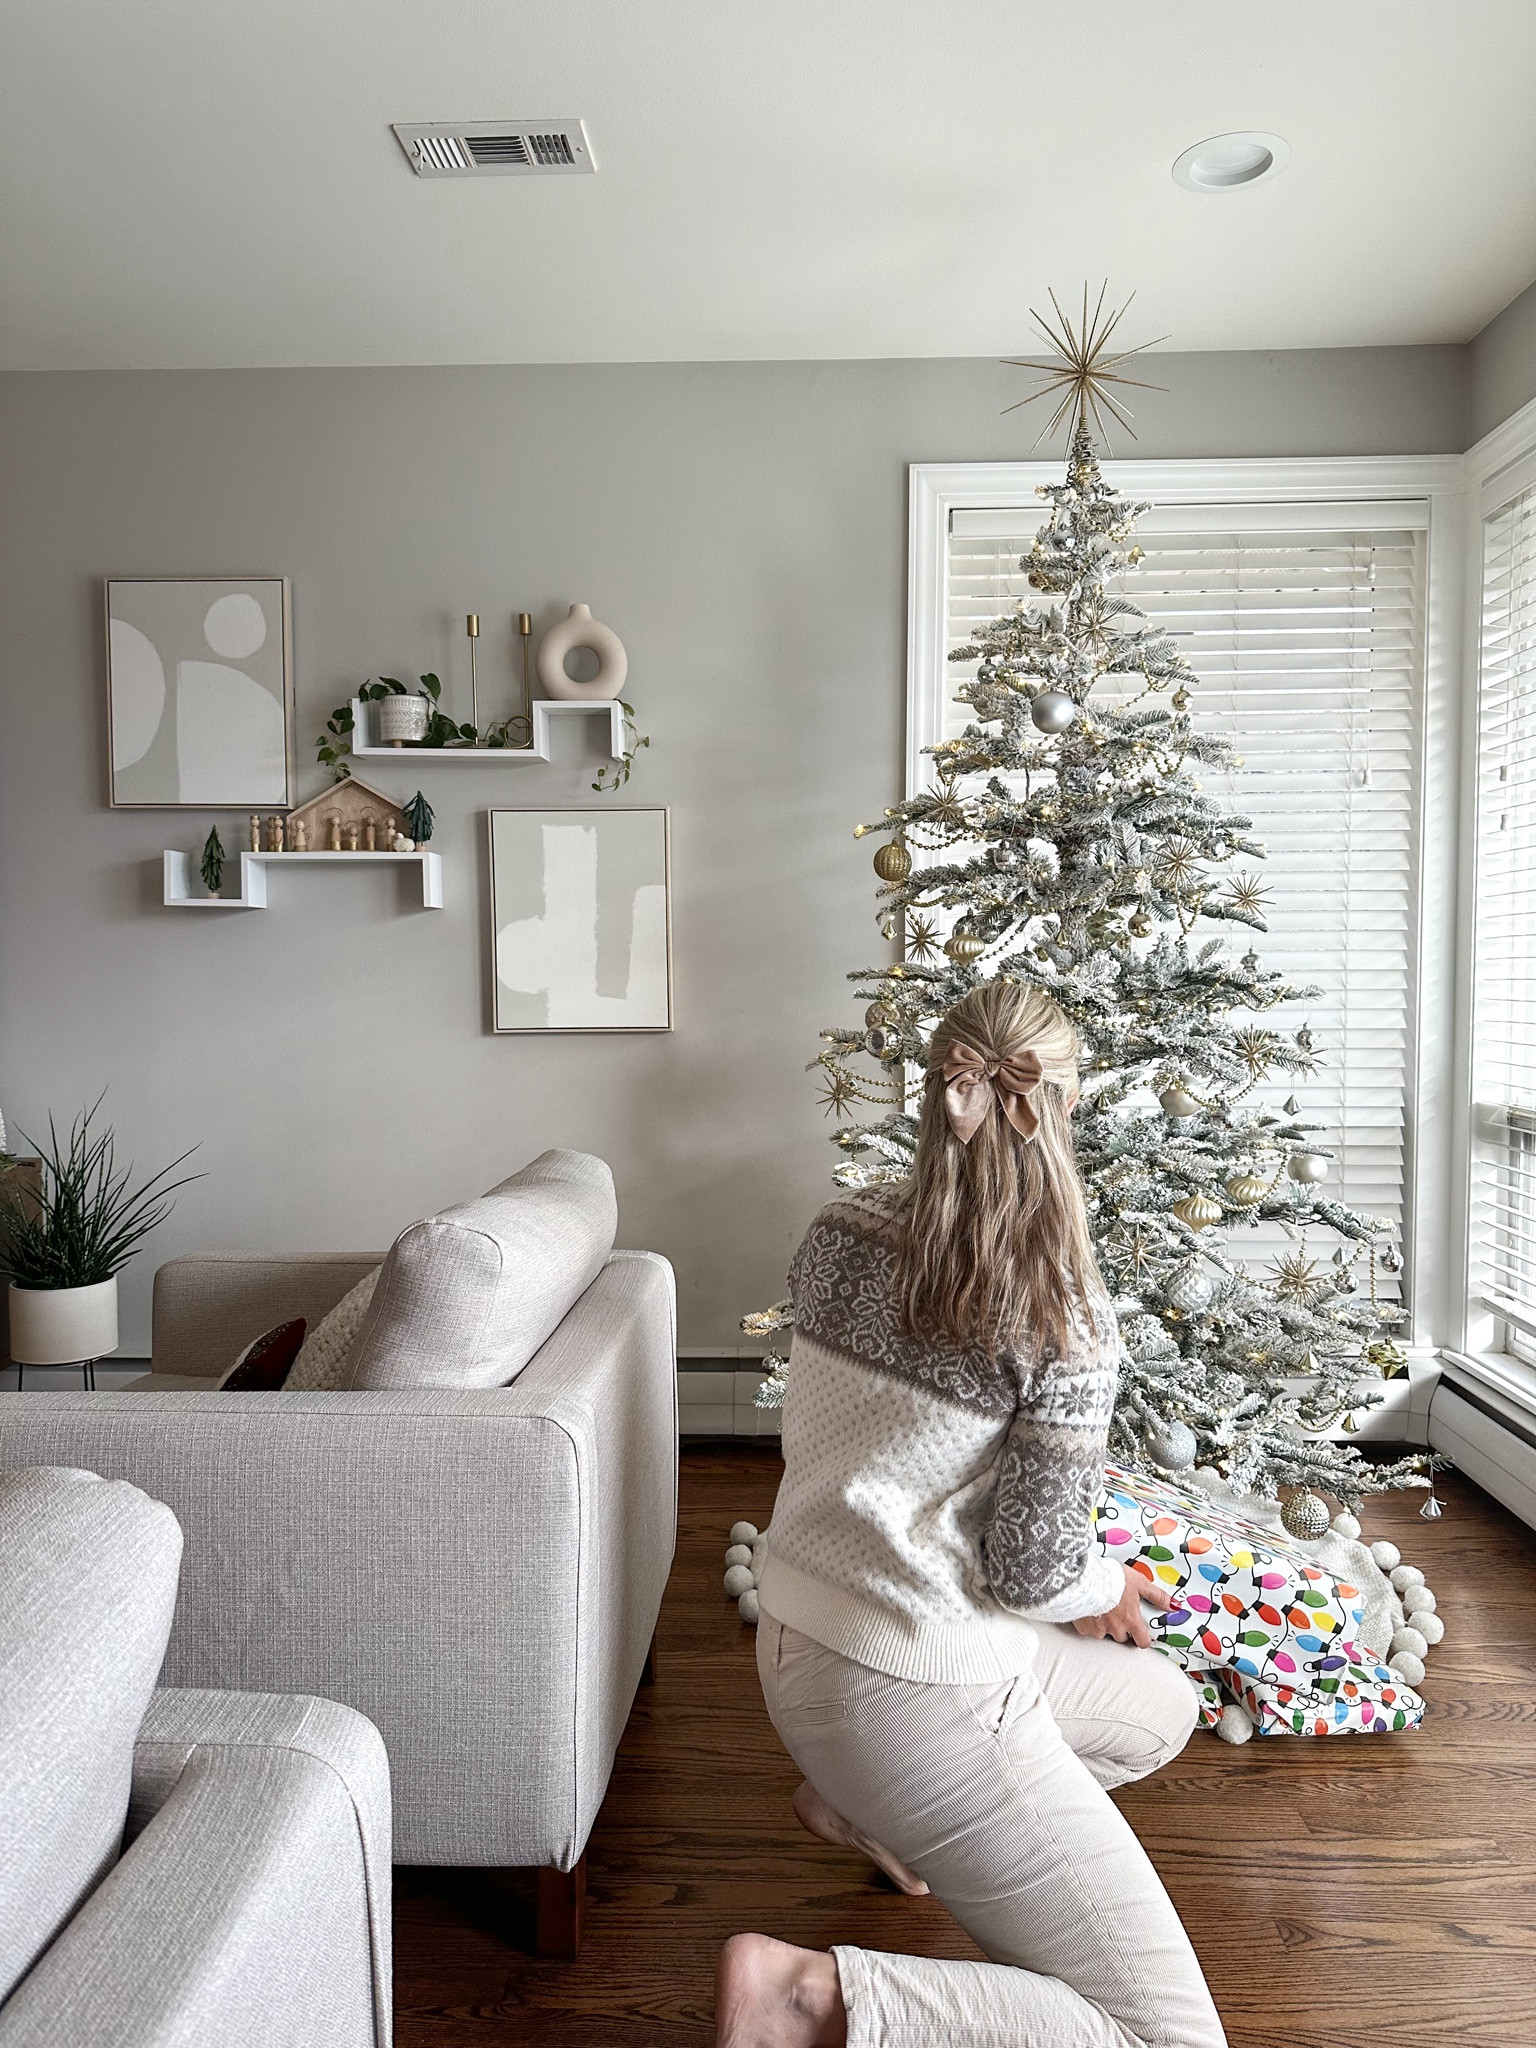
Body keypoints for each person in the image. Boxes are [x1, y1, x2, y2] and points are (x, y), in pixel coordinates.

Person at [717, 983, 1226, 2048]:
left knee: (1163, 1706)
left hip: (799, 1637)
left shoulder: (838, 1229)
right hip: (914, 1681)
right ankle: (804, 1996)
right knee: (1166, 2036)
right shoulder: (1060, 1311)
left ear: (935, 1094)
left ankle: (868, 1809)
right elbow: (1033, 1573)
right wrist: (1107, 1586)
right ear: (1064, 1108)